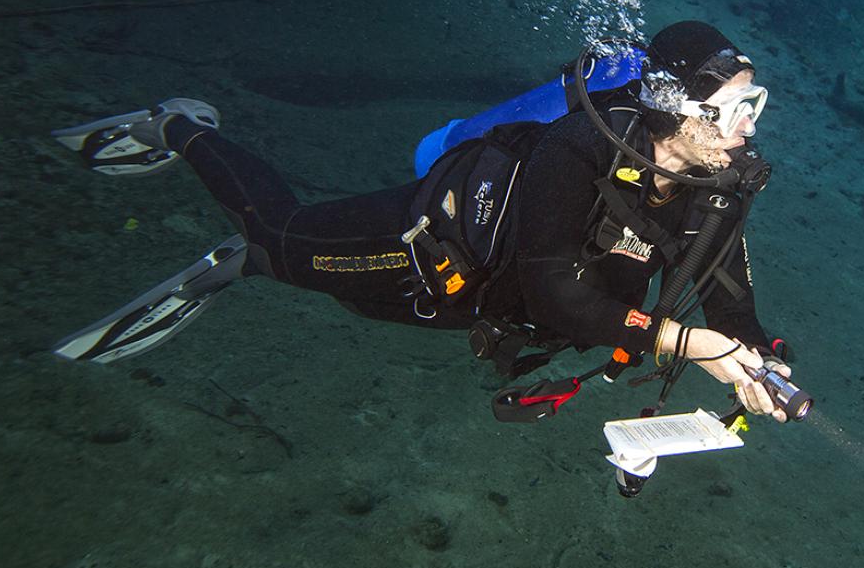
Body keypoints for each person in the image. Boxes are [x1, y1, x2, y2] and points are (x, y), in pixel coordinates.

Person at [51, 21, 793, 422]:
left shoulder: (713, 184)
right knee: (282, 234)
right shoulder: (579, 147)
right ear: (671, 103)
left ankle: (251, 262)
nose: (745, 130)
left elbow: (728, 289)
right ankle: (179, 130)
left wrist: (760, 357)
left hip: (478, 304)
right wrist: (683, 342)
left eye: (752, 109)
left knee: (349, 298)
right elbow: (556, 295)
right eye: (733, 110)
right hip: (427, 240)